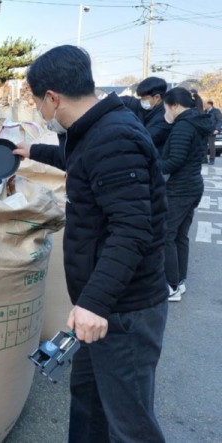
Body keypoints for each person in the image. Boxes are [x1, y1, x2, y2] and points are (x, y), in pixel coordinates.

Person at [13, 45, 169, 442]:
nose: (38, 112)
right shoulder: (97, 129)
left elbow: (133, 231)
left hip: (123, 309)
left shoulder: (114, 138)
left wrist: (94, 303)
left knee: (129, 422)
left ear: (52, 97)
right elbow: (83, 163)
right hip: (102, 306)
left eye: (36, 102)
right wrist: (33, 151)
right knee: (89, 400)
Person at [160, 88, 213, 301]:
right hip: (192, 185)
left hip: (180, 189)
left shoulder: (184, 125)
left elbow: (175, 160)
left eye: (166, 108)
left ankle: (171, 286)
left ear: (174, 106)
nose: (166, 113)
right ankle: (179, 282)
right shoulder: (197, 121)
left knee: (167, 235)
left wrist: (153, 165)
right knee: (180, 235)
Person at [120, 76, 172, 153]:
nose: (142, 101)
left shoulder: (166, 117)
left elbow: (144, 138)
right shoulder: (144, 107)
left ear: (157, 97)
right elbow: (128, 101)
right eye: (141, 98)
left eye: (144, 99)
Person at [204, 99, 222, 165]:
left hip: (212, 130)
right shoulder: (205, 111)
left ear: (209, 104)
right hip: (205, 130)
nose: (204, 105)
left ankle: (212, 159)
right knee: (204, 145)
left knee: (211, 146)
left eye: (205, 104)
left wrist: (217, 129)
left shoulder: (216, 111)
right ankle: (204, 159)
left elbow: (220, 120)